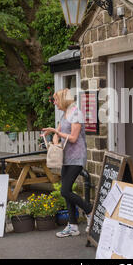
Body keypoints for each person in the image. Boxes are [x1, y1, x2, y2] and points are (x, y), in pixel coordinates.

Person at [42, 88, 92, 237]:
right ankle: (73, 226)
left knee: (65, 190)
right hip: (66, 157)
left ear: (63, 100)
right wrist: (53, 140)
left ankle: (90, 211)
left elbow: (73, 138)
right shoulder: (65, 114)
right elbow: (58, 133)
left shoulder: (76, 113)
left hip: (77, 157)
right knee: (67, 191)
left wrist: (56, 132)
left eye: (56, 100)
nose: (54, 103)